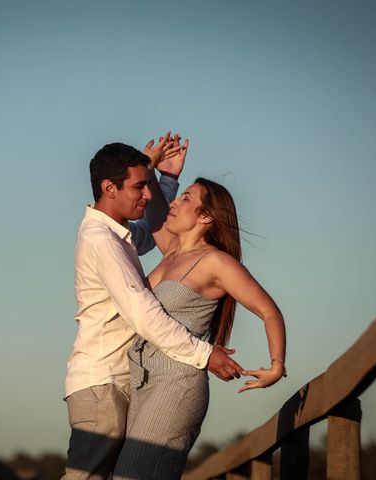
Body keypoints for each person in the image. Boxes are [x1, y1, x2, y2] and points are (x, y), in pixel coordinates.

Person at [63, 135, 245, 480]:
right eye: (138, 187)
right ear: (109, 187)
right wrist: (204, 355)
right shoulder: (102, 242)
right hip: (103, 381)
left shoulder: (117, 235)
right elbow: (143, 313)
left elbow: (156, 231)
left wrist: (167, 180)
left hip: (117, 382)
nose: (146, 196)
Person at [112, 170, 287, 479]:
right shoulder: (172, 251)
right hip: (143, 380)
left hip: (177, 383)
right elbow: (154, 212)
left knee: (129, 475)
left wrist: (276, 365)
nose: (176, 201)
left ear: (206, 217)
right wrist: (161, 172)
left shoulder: (214, 262)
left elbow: (269, 311)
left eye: (186, 198)